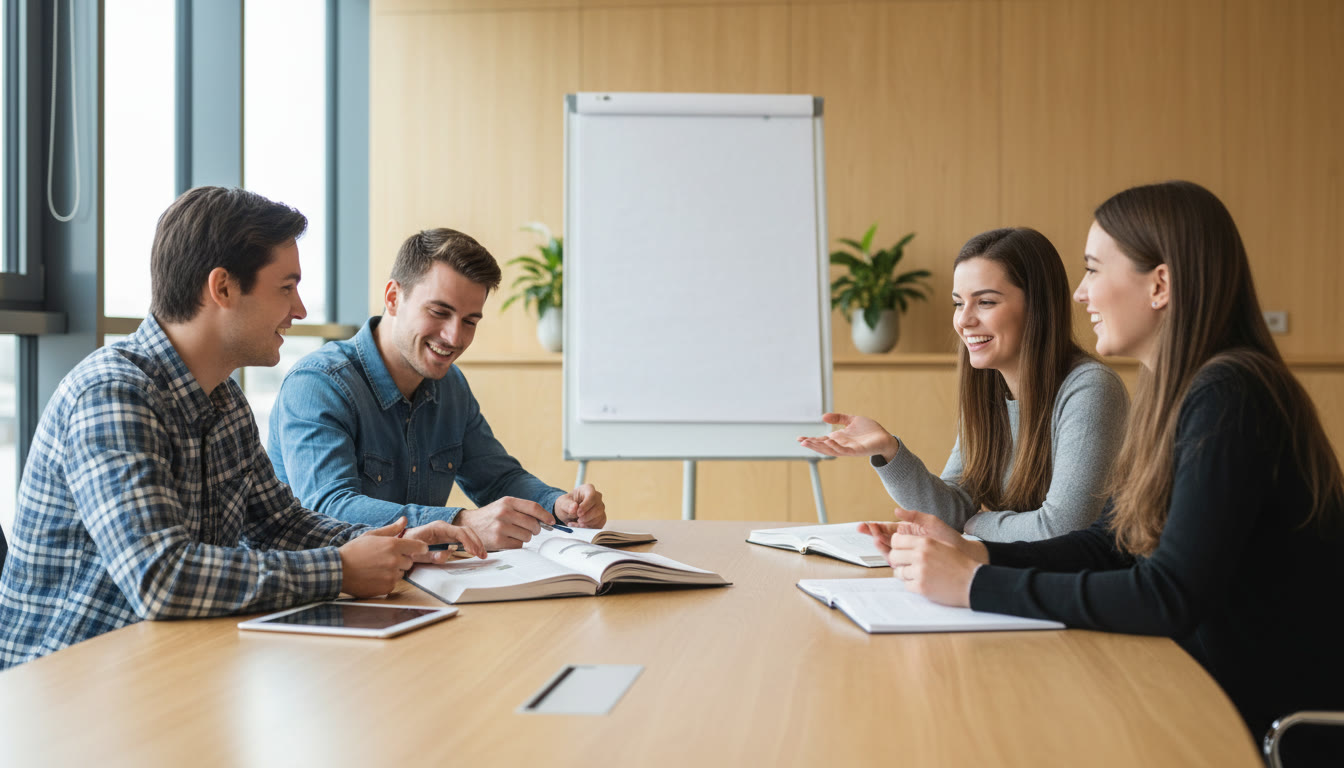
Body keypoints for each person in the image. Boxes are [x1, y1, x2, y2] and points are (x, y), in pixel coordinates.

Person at [868, 181, 1343, 759]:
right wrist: (978, 554)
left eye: (1094, 270)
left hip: (1251, 721)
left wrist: (976, 585)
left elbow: (1168, 593)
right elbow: (1109, 543)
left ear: (1160, 284)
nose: (1079, 293)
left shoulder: (1231, 394)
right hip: (1194, 686)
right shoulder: (1183, 394)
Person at [0, 188, 484, 669]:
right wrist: (340, 568)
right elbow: (161, 578)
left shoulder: (225, 399)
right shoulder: (112, 394)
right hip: (66, 686)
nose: (299, 310)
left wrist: (399, 543)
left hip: (168, 667)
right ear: (223, 288)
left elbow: (281, 524)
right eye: (285, 287)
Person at [267, 228, 606, 551]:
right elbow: (327, 509)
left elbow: (498, 479)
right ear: (393, 298)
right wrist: (462, 523)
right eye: (439, 312)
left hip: (416, 585)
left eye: (470, 321)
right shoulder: (318, 384)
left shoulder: (451, 385)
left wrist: (558, 505)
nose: (454, 337)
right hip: (325, 592)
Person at [800, 228, 1128, 541]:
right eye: (959, 303)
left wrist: (973, 526)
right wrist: (889, 451)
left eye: (985, 302)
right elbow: (949, 513)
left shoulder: (1090, 389)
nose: (964, 320)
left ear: (1037, 308)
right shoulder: (988, 390)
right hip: (1022, 578)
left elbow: (1063, 528)